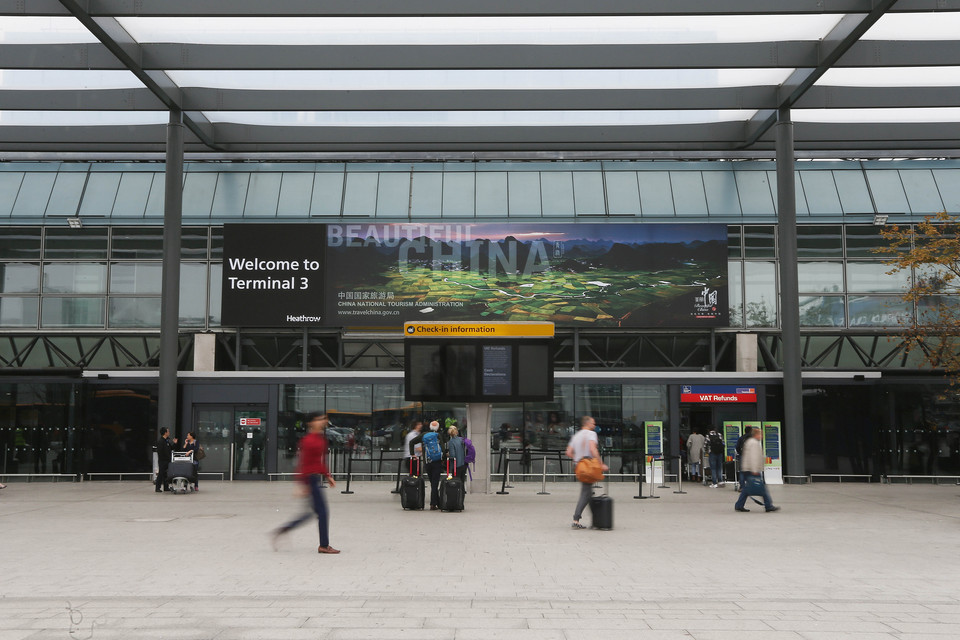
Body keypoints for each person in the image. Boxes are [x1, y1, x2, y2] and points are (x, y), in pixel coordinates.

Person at [272, 412, 340, 554]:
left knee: (313, 513)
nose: (323, 421)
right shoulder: (307, 440)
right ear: (311, 423)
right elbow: (302, 463)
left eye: (324, 419)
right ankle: (323, 545)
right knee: (322, 512)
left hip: (314, 478)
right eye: (319, 419)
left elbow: (319, 462)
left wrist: (328, 476)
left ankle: (284, 530)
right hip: (309, 479)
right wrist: (301, 484)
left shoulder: (321, 439)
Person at [565, 415, 608, 530]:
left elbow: (568, 452)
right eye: (593, 423)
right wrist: (601, 463)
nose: (594, 426)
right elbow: (593, 449)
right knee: (586, 492)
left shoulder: (576, 435)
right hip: (589, 466)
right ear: (587, 423)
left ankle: (596, 519)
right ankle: (576, 519)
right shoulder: (591, 434)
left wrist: (577, 458)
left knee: (588, 492)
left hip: (579, 467)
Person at [735, 427, 779, 513]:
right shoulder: (754, 443)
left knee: (747, 489)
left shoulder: (750, 442)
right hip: (752, 469)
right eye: (760, 434)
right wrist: (755, 470)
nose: (762, 436)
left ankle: (739, 505)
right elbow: (754, 457)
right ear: (756, 435)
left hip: (747, 468)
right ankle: (768, 505)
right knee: (762, 488)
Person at [409, 420, 443, 510]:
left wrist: (412, 454)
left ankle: (437, 502)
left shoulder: (423, 435)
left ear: (430, 427)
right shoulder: (438, 435)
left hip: (427, 462)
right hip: (437, 462)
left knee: (433, 482)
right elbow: (443, 448)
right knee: (435, 483)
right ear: (437, 428)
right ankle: (433, 504)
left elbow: (411, 442)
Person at [154, 427, 177, 493]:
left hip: (167, 460)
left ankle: (166, 487)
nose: (169, 432)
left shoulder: (167, 440)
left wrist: (174, 443)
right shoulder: (161, 441)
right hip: (162, 461)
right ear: (165, 433)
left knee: (166, 474)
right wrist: (165, 458)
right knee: (161, 473)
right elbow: (160, 452)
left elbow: (171, 448)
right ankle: (157, 487)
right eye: (168, 431)